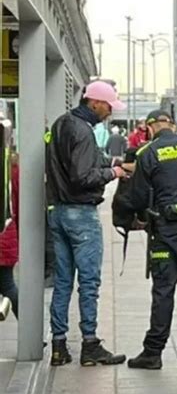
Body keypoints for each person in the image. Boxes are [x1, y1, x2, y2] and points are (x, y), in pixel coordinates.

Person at [115, 110, 177, 370]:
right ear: (171, 125)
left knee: (163, 290)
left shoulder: (148, 151)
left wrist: (133, 215)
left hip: (168, 229)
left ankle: (153, 352)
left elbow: (137, 197)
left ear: (149, 128)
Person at [46, 80, 127, 367]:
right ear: (94, 102)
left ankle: (58, 346)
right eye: (107, 106)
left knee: (63, 282)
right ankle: (90, 344)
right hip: (80, 213)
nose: (109, 112)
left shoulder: (61, 124)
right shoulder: (83, 131)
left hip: (57, 211)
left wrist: (111, 162)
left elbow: (79, 163)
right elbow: (82, 176)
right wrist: (114, 173)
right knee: (89, 282)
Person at [0, 151, 19, 319]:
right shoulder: (13, 168)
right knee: (7, 285)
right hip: (7, 237)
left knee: (7, 285)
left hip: (4, 239)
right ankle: (31, 331)